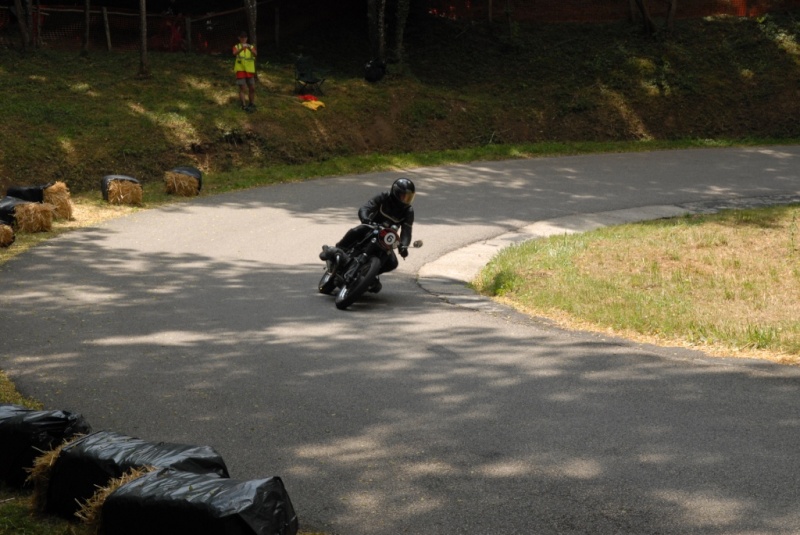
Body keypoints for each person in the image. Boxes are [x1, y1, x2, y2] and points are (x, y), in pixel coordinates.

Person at [320, 178, 416, 290]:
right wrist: (366, 219)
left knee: (392, 263)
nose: (406, 200)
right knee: (357, 230)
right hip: (371, 228)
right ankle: (337, 250)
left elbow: (406, 232)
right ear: (396, 193)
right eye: (403, 196)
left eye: (409, 197)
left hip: (385, 238)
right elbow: (366, 208)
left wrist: (403, 246)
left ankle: (369, 275)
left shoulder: (408, 211)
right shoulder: (384, 197)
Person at [232, 31, 257, 112]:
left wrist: (249, 48)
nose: (244, 39)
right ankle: (243, 105)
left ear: (247, 38)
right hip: (241, 71)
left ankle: (252, 103)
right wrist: (241, 49)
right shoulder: (236, 46)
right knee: (243, 88)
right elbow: (234, 53)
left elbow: (255, 54)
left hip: (249, 71)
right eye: (242, 37)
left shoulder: (251, 46)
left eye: (245, 37)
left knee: (252, 88)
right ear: (239, 38)